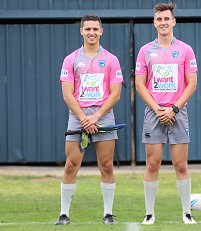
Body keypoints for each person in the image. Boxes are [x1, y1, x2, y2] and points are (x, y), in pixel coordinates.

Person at [55, 14, 123, 225]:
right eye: (88, 29)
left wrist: (95, 116)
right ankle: (64, 214)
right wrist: (84, 117)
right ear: (81, 31)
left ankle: (108, 214)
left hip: (103, 116)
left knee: (106, 166)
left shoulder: (111, 59)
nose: (92, 33)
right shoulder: (70, 59)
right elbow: (67, 94)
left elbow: (115, 94)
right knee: (70, 165)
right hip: (78, 117)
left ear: (101, 31)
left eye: (95, 29)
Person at [135, 2, 198, 225]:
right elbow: (140, 84)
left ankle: (187, 213)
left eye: (166, 19)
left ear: (173, 21)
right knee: (153, 164)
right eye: (159, 19)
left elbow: (191, 84)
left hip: (178, 113)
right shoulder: (145, 51)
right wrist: (158, 109)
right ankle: (149, 213)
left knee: (180, 165)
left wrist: (173, 108)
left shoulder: (185, 49)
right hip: (154, 113)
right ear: (154, 22)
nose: (163, 22)